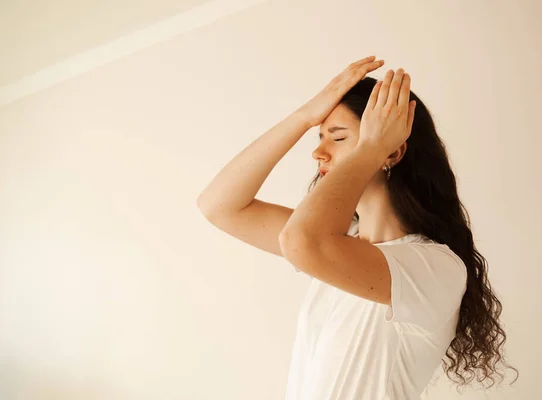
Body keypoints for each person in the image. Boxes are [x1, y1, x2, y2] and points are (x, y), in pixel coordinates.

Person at [197, 56, 518, 399]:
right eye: (319, 137)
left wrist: (372, 146)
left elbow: (302, 240)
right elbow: (219, 206)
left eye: (336, 138)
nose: (318, 152)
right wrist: (304, 116)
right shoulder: (343, 246)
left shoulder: (435, 267)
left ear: (392, 153)